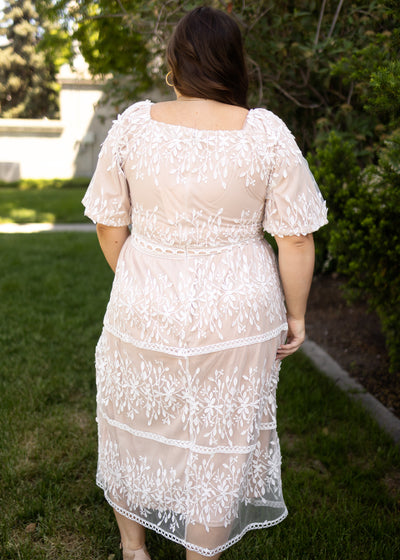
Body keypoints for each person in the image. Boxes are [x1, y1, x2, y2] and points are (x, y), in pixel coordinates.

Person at [82, 6, 328, 559]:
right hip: (239, 308)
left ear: (175, 62)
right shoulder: (266, 132)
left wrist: (139, 277)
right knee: (224, 436)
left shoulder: (133, 124)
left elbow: (106, 220)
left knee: (132, 417)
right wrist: (297, 316)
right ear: (234, 63)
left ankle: (133, 550)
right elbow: (295, 237)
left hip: (145, 301)